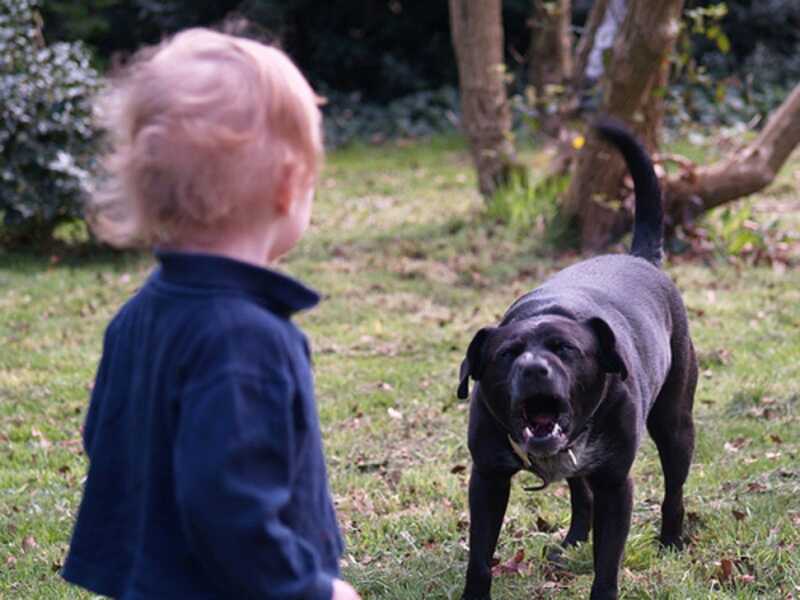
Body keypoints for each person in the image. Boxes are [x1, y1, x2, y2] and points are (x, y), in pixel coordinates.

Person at [61, 28, 360, 600]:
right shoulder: (247, 339)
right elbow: (230, 507)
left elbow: (105, 438)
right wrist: (311, 591)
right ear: (288, 186)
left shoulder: (137, 315)